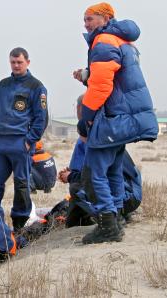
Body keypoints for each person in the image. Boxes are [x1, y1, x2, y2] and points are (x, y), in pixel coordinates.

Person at [72, 3, 158, 244]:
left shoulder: (103, 43)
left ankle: (108, 225)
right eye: (84, 20)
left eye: (90, 19)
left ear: (105, 18)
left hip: (113, 118)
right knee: (113, 170)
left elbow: (102, 87)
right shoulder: (122, 41)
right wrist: (87, 75)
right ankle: (118, 217)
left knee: (93, 173)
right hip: (123, 117)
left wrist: (86, 117)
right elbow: (115, 79)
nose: (86, 24)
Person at [0, 47, 48, 233]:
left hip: (20, 142)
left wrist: (30, 140)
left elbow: (41, 118)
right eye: (13, 62)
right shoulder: (2, 85)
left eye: (19, 62)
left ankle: (20, 223)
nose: (16, 65)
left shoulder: (36, 87)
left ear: (28, 62)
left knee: (21, 183)